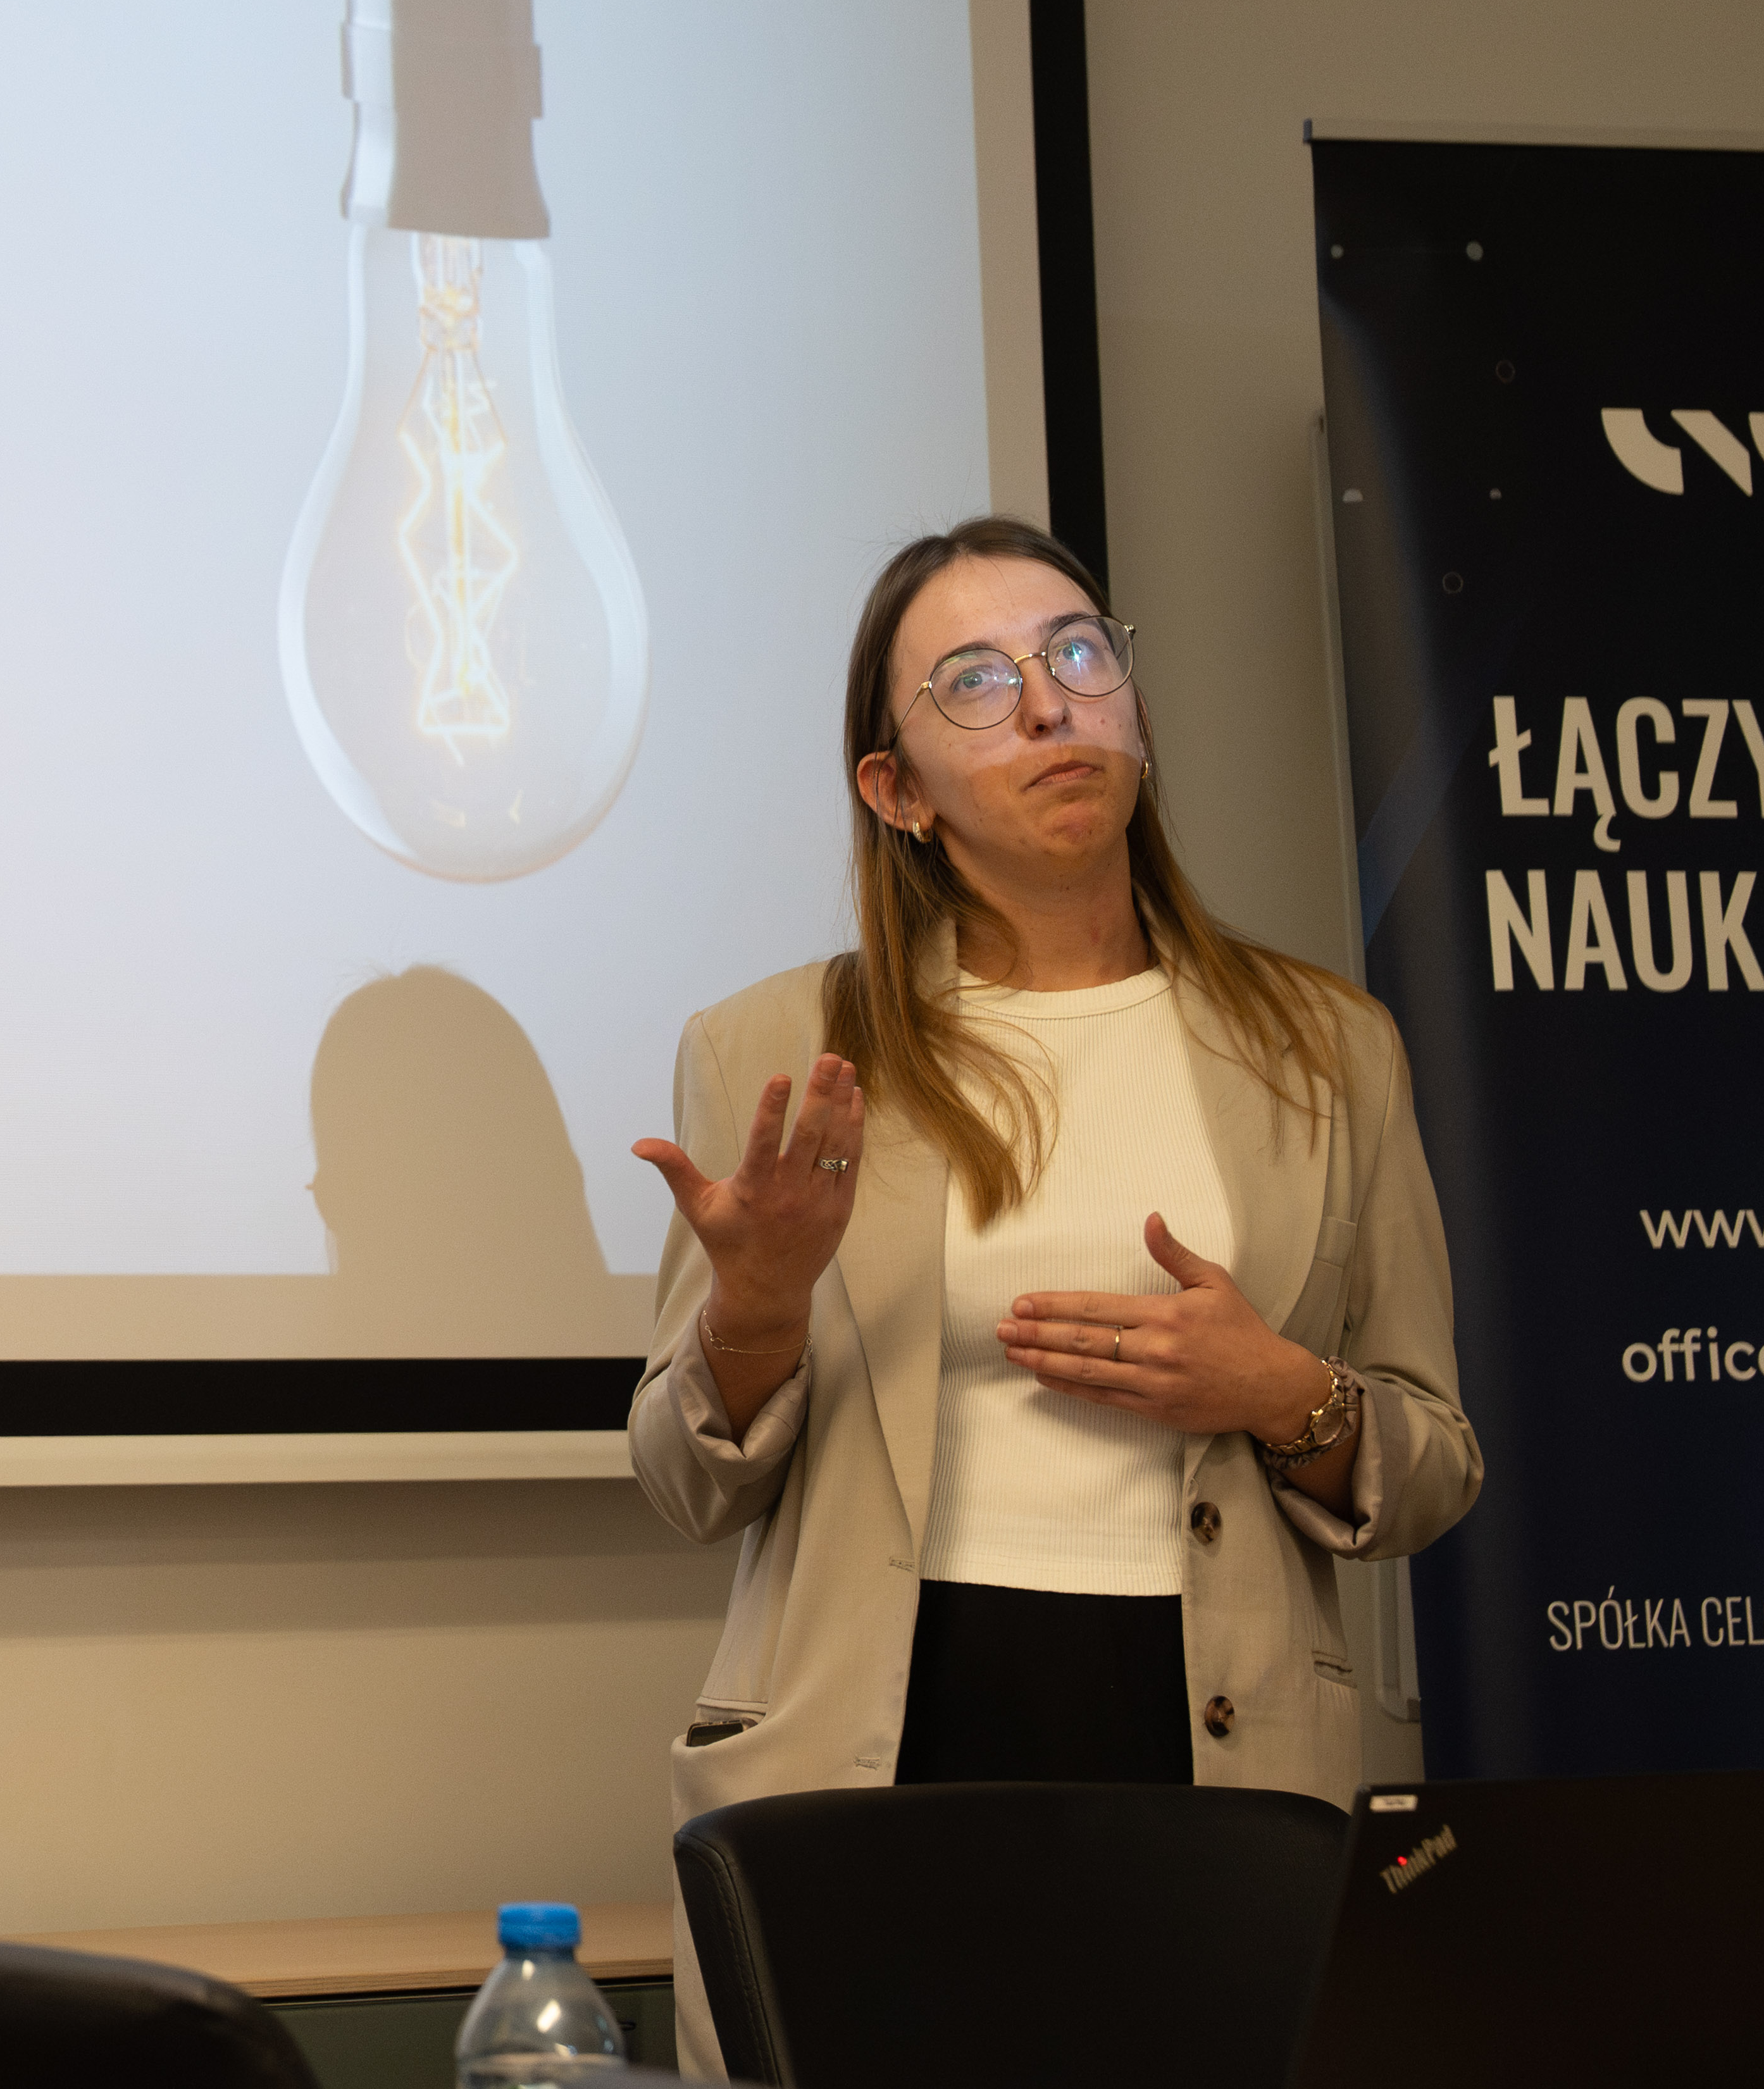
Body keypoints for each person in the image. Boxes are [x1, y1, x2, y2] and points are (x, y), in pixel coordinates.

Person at [626, 516, 1477, 2078]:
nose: (1046, 705)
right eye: (973, 681)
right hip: (884, 1746)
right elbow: (686, 1483)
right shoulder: (774, 1046)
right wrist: (755, 1307)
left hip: (1213, 1752)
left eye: (1078, 654)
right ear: (895, 789)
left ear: (1133, 709)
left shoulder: (1328, 1047)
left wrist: (1282, 1395)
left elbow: (1431, 1462)